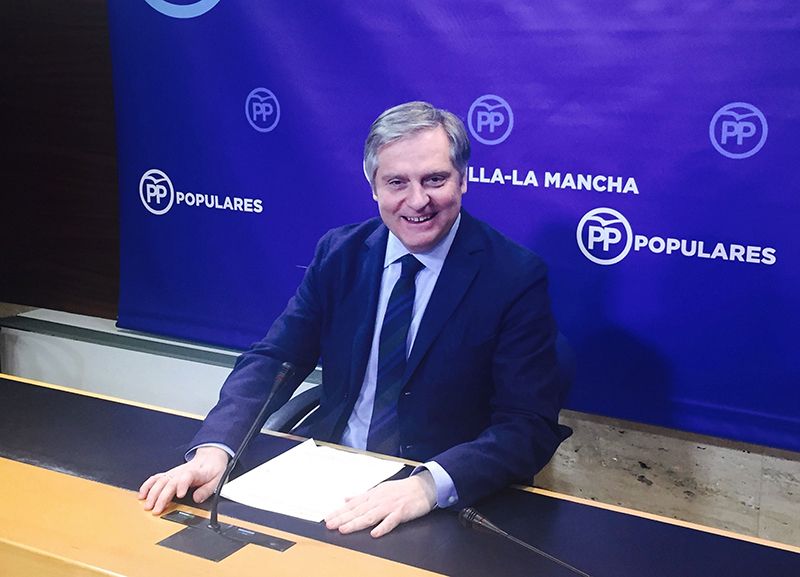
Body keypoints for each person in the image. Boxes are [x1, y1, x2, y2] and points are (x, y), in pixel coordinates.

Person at [139, 101, 569, 538]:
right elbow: (274, 358)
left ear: (463, 179)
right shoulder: (340, 253)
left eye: (434, 179)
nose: (417, 200)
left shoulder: (513, 277)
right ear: (373, 187)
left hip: (436, 498)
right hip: (328, 478)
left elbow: (527, 425)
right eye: (396, 182)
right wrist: (216, 449)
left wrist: (427, 486)